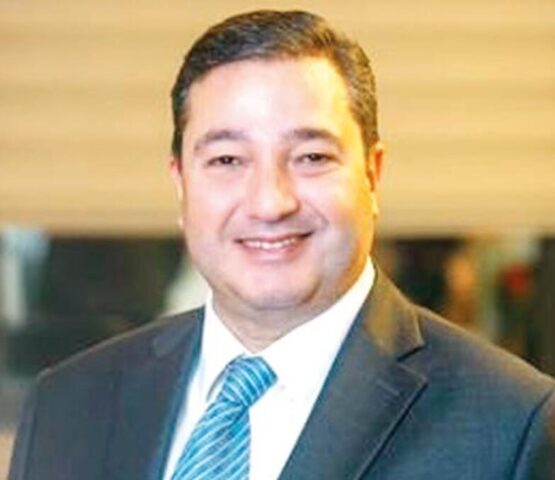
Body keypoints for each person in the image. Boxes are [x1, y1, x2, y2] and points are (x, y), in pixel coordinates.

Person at [8, 10, 555, 480]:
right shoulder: (66, 405)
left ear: (372, 174)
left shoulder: (511, 426)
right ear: (181, 184)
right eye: (227, 160)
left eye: (311, 158)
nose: (270, 202)